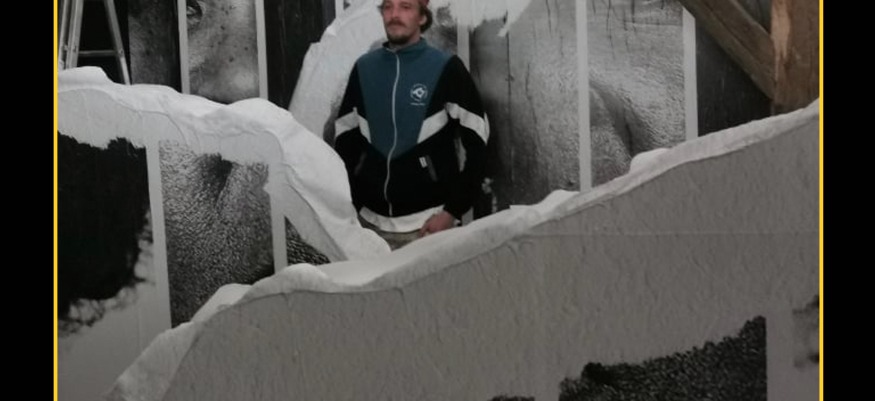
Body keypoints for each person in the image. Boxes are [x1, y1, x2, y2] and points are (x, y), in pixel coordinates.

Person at [333, 0, 489, 249]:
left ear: (422, 17)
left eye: (405, 7)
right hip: (369, 226)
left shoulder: (446, 68)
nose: (394, 14)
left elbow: (479, 144)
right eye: (388, 7)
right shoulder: (364, 68)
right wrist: (352, 205)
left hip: (428, 226)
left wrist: (452, 211)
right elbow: (344, 143)